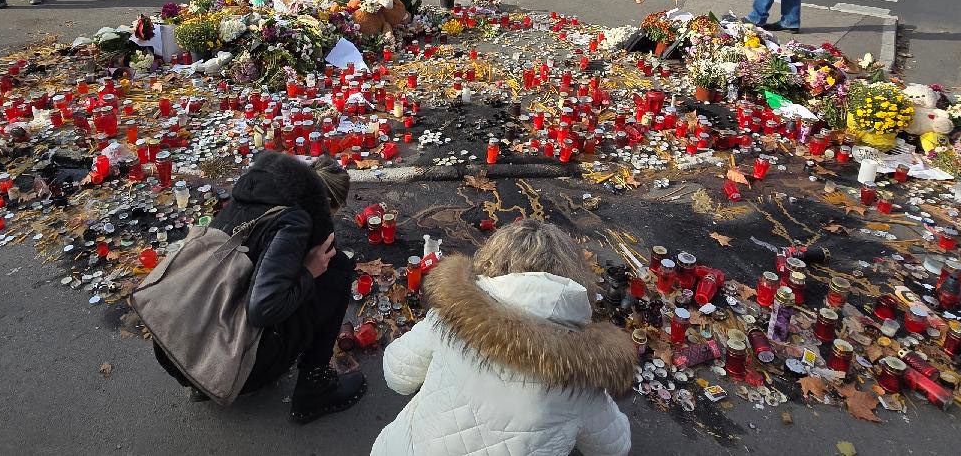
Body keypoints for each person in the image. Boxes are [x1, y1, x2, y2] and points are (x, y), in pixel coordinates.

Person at [370, 220, 632, 456]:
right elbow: (614, 447)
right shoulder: (584, 372)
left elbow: (397, 375)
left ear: (491, 261)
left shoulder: (454, 315)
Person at [152, 151, 365, 423]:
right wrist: (309, 272)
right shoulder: (295, 221)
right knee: (336, 272)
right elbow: (262, 309)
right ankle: (315, 386)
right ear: (325, 204)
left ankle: (203, 382)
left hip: (176, 347)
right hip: (218, 362)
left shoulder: (252, 195)